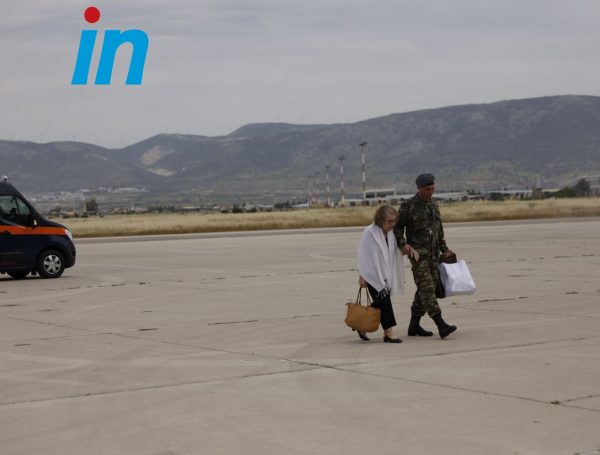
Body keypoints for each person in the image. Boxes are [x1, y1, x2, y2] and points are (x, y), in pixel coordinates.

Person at [393, 173, 457, 339]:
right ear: (419, 188)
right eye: (427, 189)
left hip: (433, 255)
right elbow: (397, 228)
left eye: (432, 188)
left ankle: (414, 325)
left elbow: (438, 231)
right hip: (417, 255)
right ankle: (441, 324)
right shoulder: (408, 205)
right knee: (427, 288)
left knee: (426, 288)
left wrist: (444, 249)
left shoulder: (434, 205)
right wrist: (403, 244)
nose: (431, 192)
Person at [357, 204, 404, 343]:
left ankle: (361, 324)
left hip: (386, 274)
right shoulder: (369, 232)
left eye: (394, 221)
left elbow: (393, 251)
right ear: (380, 220)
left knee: (381, 302)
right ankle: (389, 331)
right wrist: (362, 275)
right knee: (384, 301)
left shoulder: (391, 233)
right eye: (389, 221)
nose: (392, 224)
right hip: (372, 274)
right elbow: (363, 254)